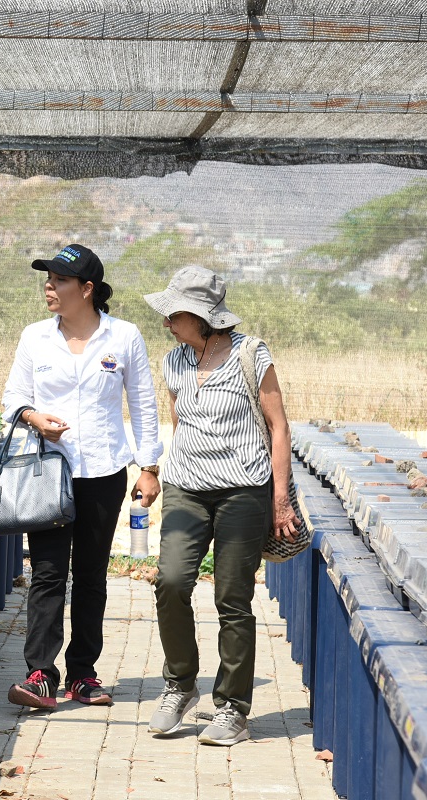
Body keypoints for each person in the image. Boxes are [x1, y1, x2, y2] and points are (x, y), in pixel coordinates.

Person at [2, 243, 163, 710]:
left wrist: (149, 467)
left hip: (104, 470)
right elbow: (12, 397)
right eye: (47, 280)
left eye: (59, 280)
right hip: (48, 473)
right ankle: (39, 674)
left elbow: (144, 404)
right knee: (48, 573)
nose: (49, 288)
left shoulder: (124, 336)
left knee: (91, 574)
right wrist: (34, 417)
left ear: (87, 289)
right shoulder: (35, 337)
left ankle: (83, 675)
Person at [142, 265, 298, 746]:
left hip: (243, 492)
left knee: (233, 599)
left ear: (205, 318)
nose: (168, 322)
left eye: (176, 314)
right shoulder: (173, 361)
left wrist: (280, 501)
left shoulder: (252, 354)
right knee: (170, 581)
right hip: (187, 489)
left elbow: (278, 427)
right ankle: (180, 685)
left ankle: (232, 707)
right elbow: (180, 422)